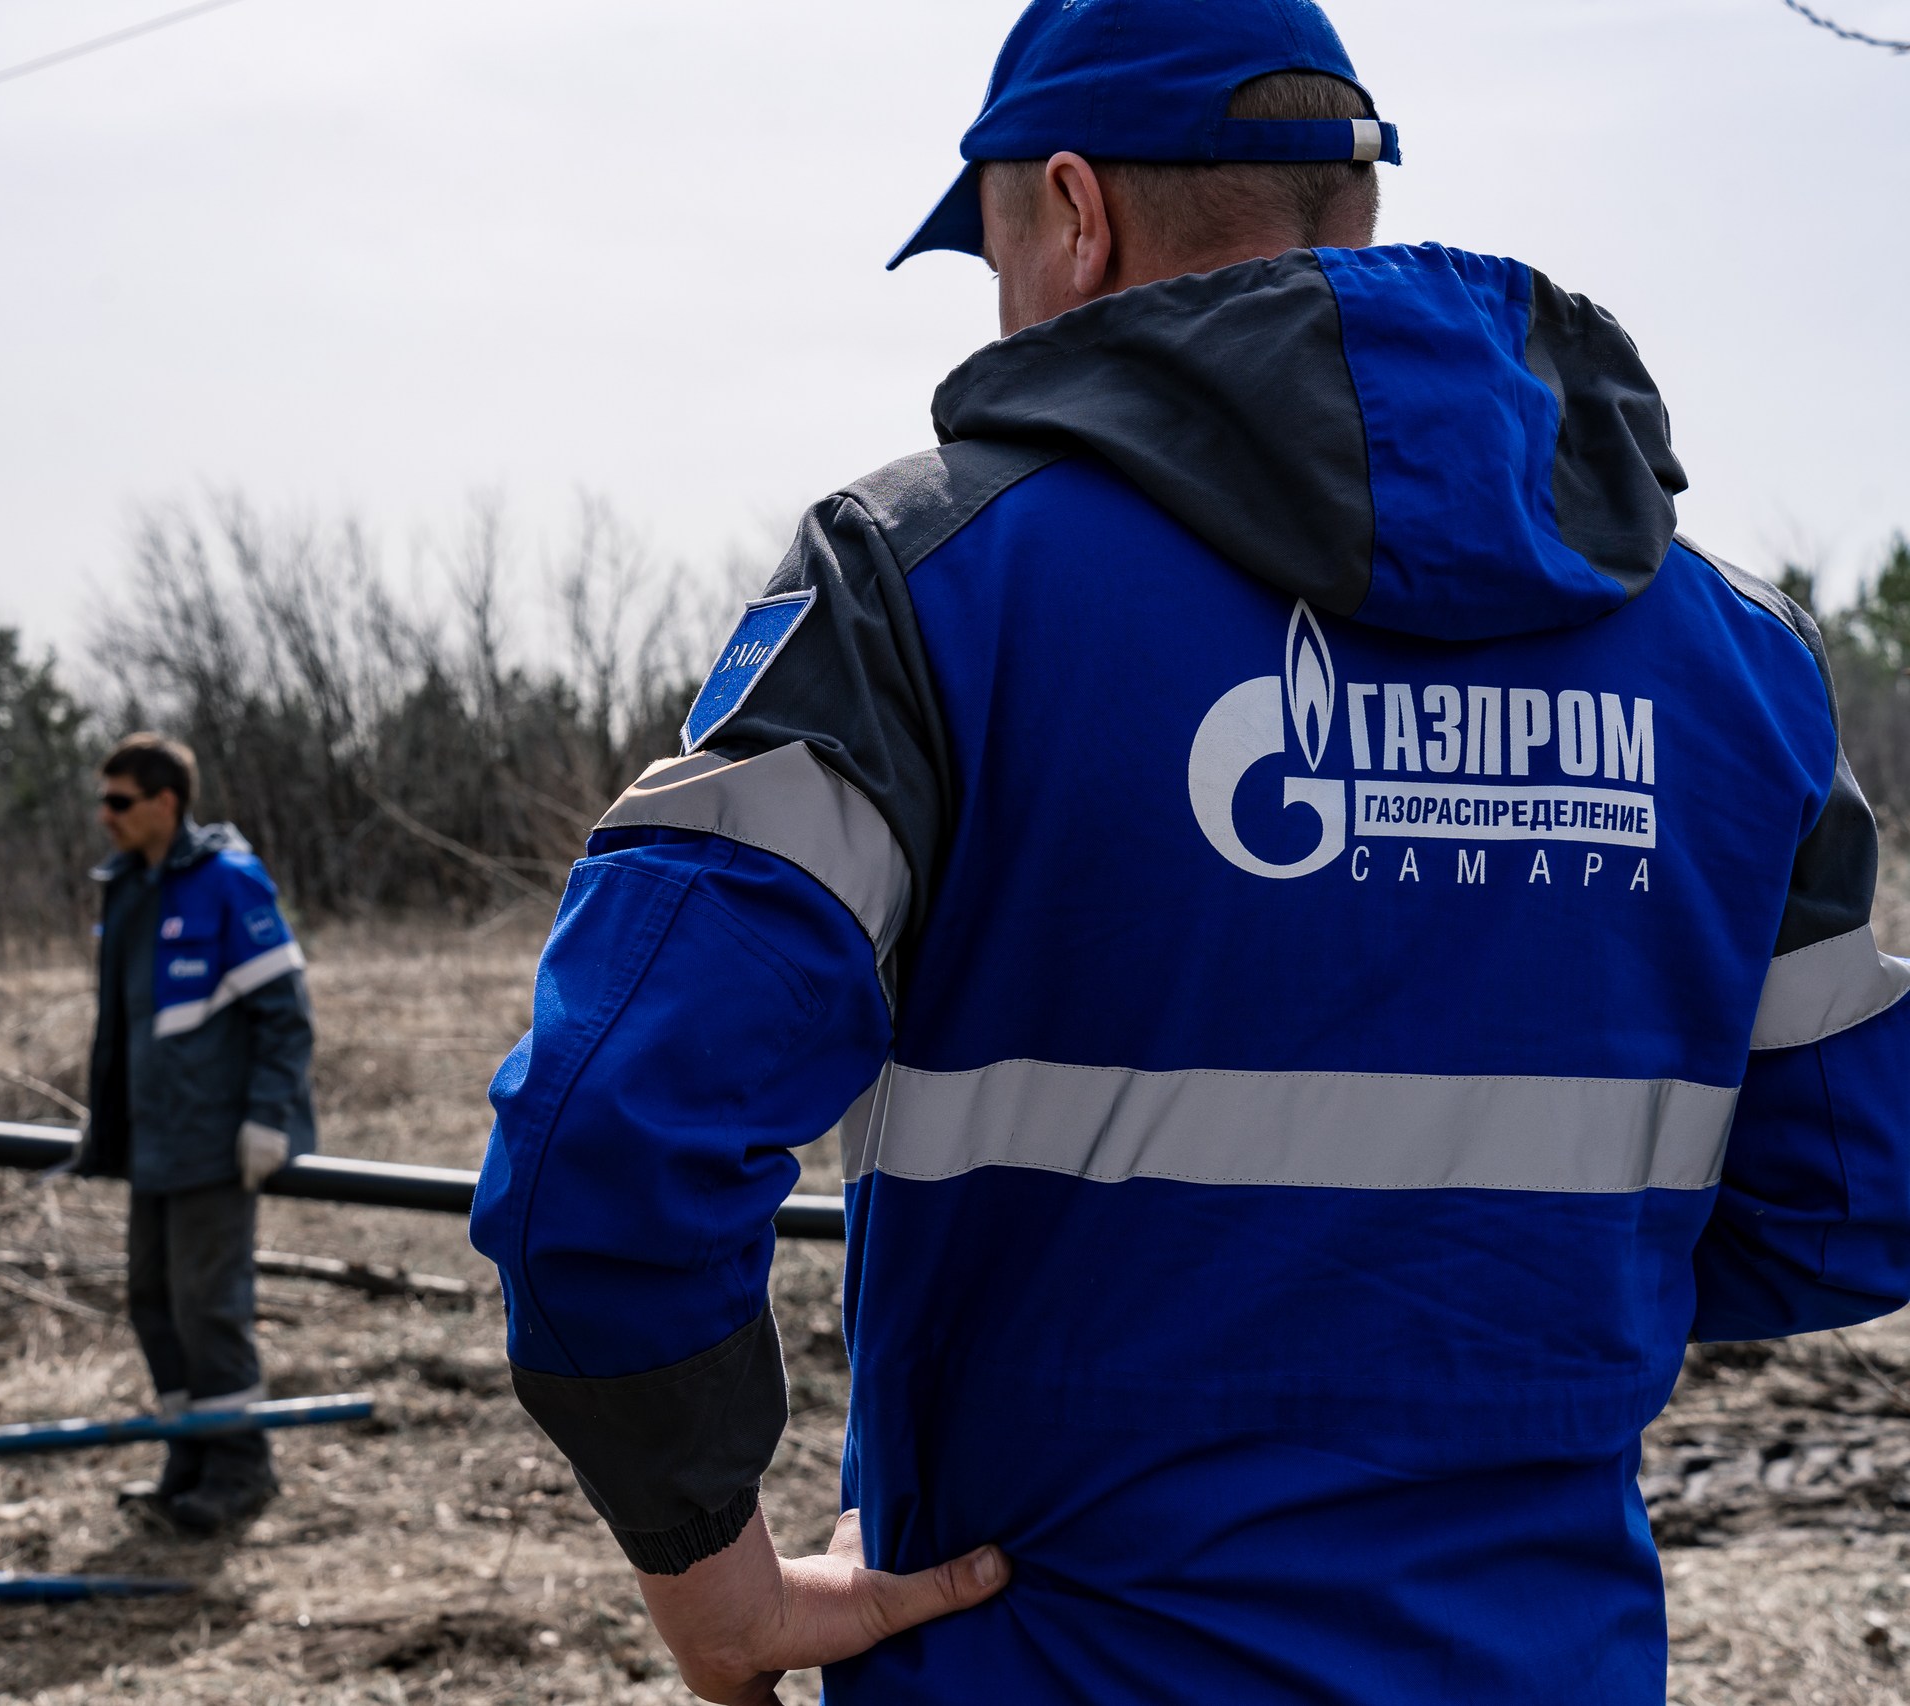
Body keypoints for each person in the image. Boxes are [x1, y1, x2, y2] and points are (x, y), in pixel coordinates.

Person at [468, 1, 1910, 1700]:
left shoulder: (927, 590)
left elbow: (601, 1148)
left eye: (993, 246)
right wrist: (1470, 1325)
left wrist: (717, 1594)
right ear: (1343, 207)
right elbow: (1844, 1196)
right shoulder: (1731, 660)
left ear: (1074, 214)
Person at [75, 731, 315, 1538]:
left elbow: (285, 1015)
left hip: (215, 1141)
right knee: (152, 1302)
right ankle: (189, 1456)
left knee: (209, 1308)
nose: (103, 816)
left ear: (165, 803)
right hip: (154, 1141)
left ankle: (240, 1468)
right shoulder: (129, 889)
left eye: (119, 801)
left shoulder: (229, 884)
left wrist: (267, 1118)